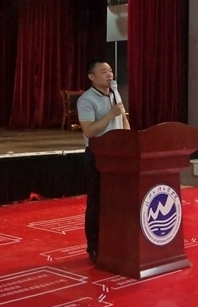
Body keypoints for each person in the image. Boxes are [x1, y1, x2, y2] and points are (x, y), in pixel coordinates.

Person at [76, 59, 130, 263]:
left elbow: (123, 118)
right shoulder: (86, 99)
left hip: (118, 154)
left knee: (118, 202)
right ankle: (95, 247)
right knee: (97, 202)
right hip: (98, 156)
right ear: (91, 77)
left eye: (110, 71)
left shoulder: (115, 93)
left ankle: (115, 242)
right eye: (104, 72)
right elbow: (89, 131)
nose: (109, 75)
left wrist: (130, 139)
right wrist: (110, 114)